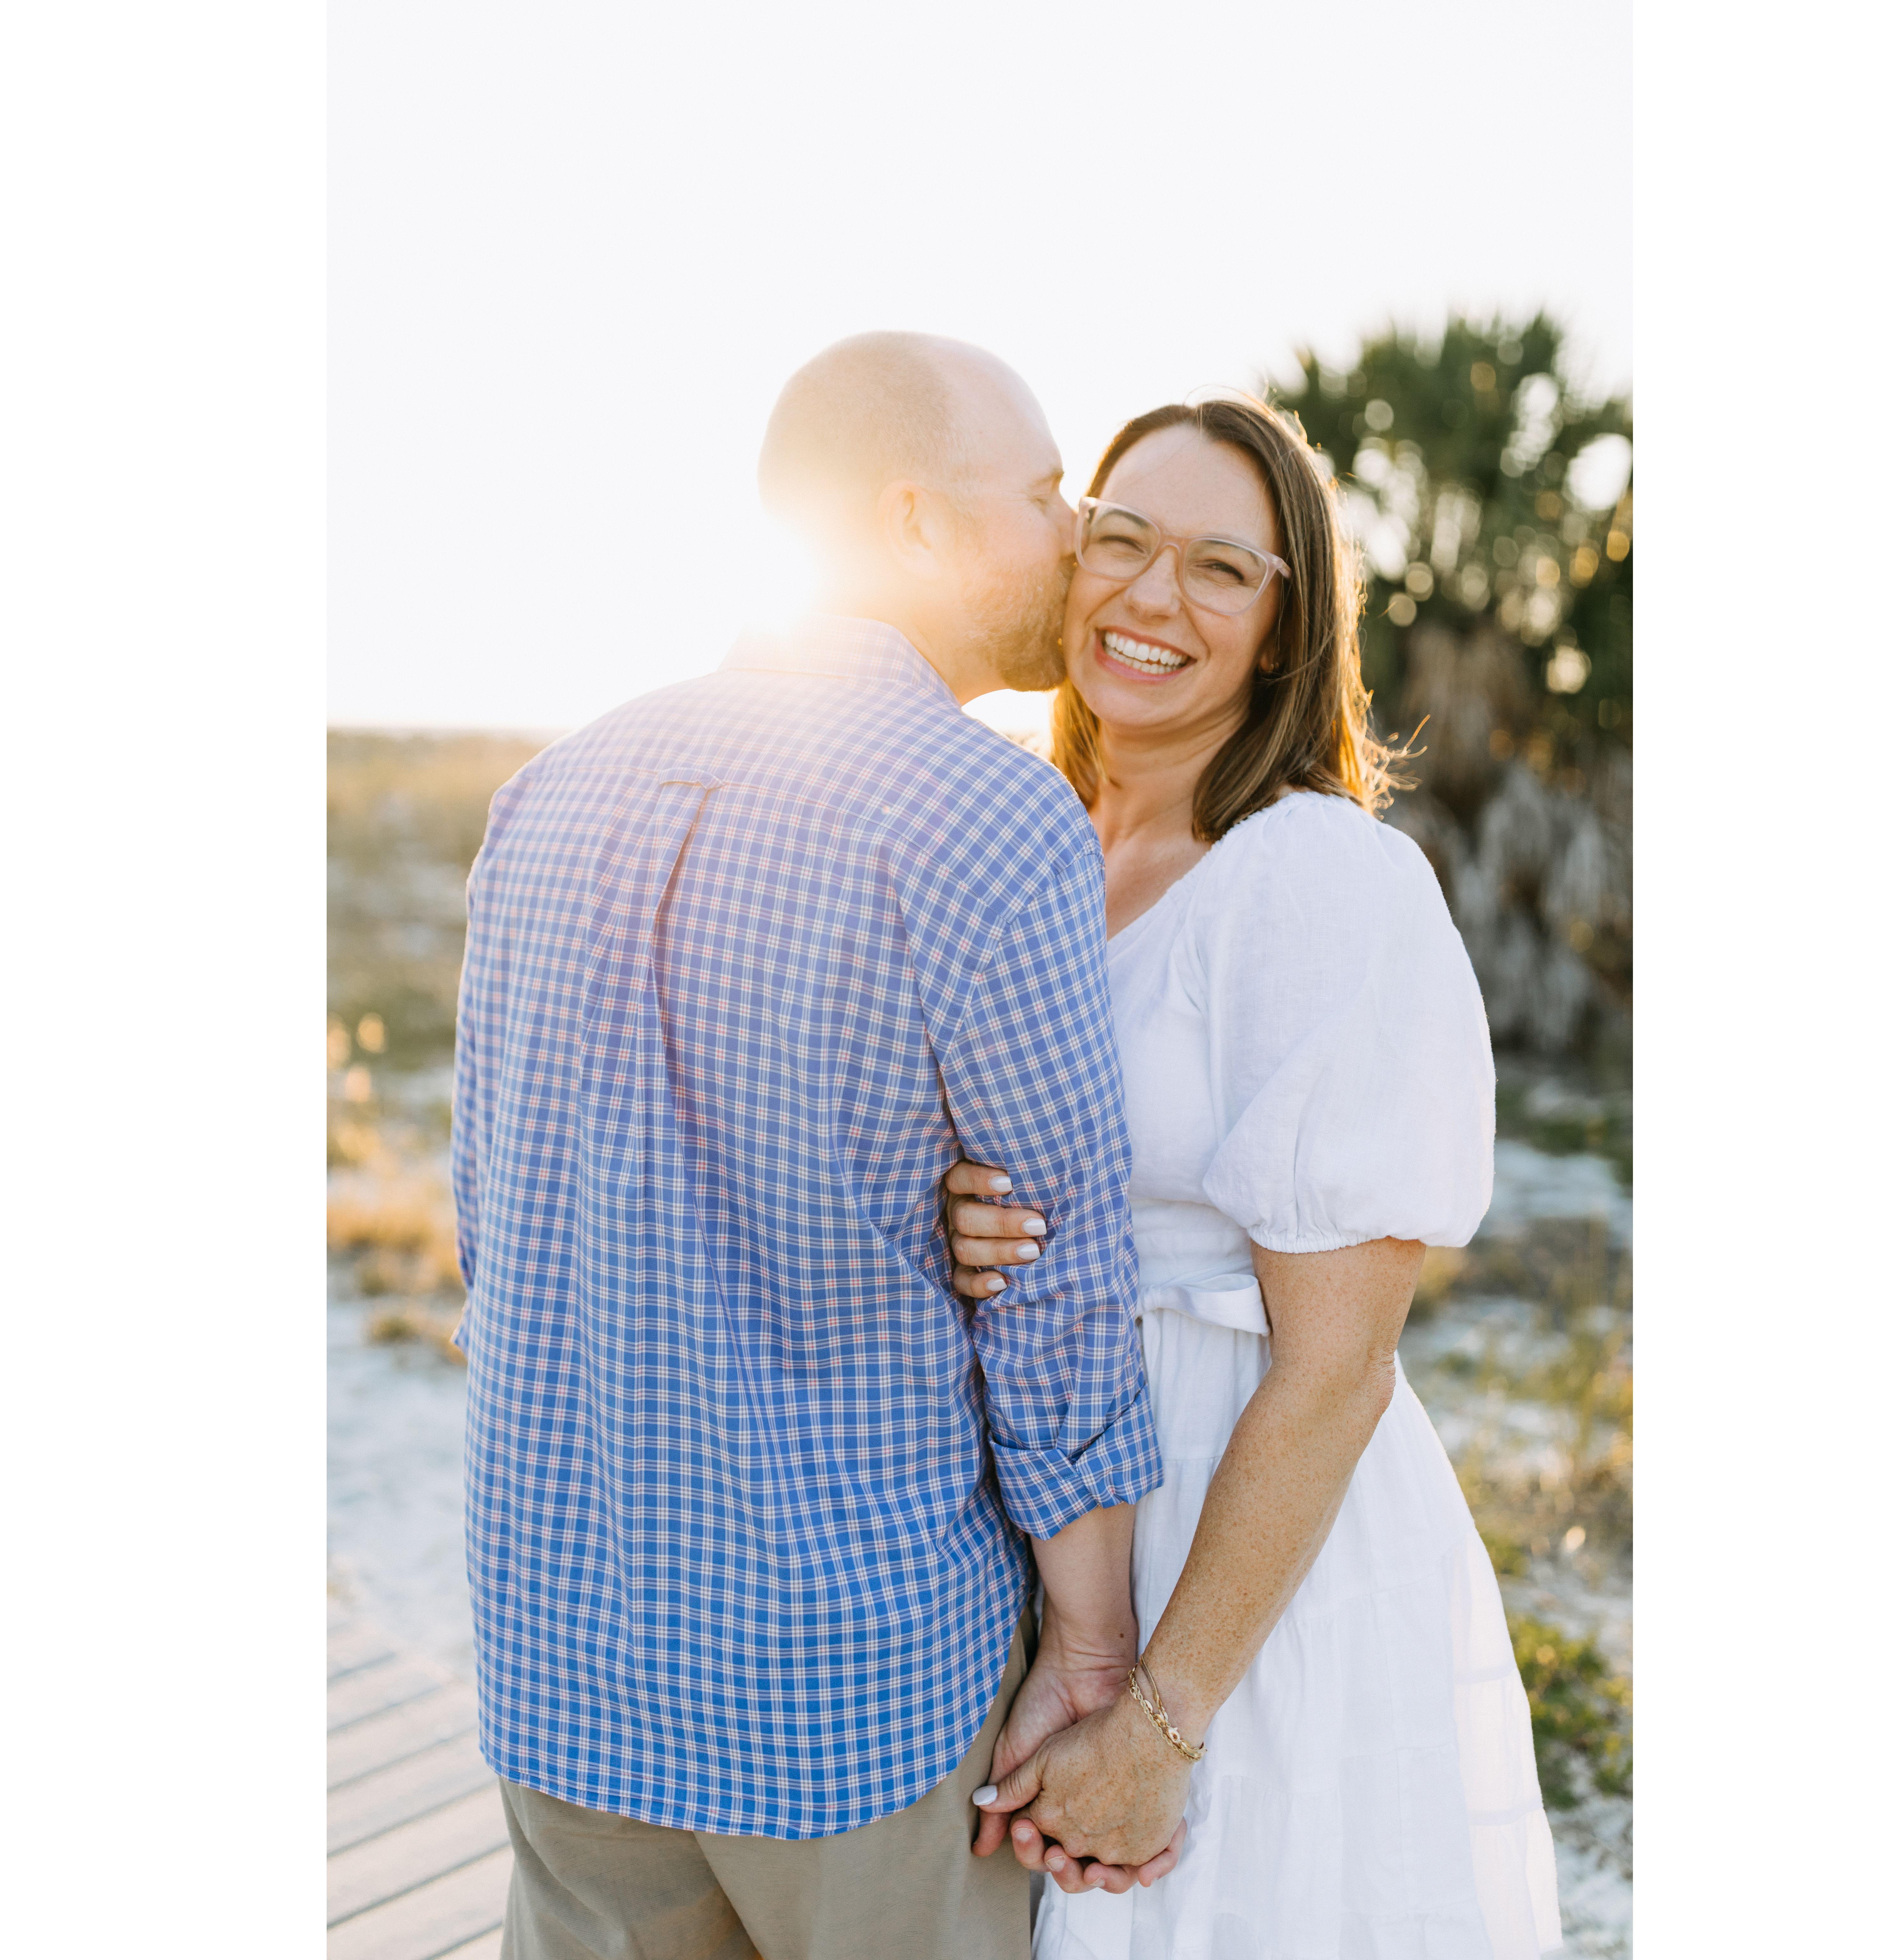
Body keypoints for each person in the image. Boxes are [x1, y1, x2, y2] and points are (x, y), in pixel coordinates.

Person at [449, 332, 1169, 1960]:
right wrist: (1096, 1657)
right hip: (847, 1696)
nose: (1080, 535)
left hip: (564, 1668)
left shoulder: (544, 795)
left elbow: (495, 1233)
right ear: (912, 521)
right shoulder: (988, 822)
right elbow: (1062, 1288)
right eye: (1047, 491)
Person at [946, 396, 1563, 1957]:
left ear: (1289, 634)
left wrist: (1167, 1722)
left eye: (1223, 570)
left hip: (1239, 1554)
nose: (1153, 598)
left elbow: (1341, 1368)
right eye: (1125, 542)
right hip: (1029, 1514)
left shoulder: (1313, 877)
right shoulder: (1023, 847)